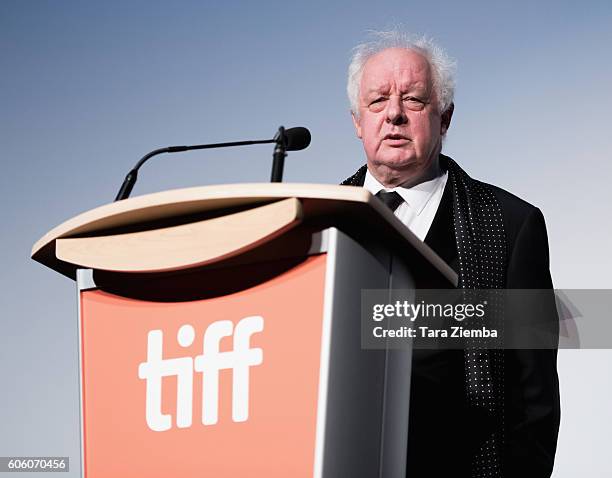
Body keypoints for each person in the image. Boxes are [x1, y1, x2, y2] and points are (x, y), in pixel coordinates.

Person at [342, 31, 560, 478]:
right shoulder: (315, 222)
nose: (394, 115)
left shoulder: (511, 225)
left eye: (414, 100)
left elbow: (534, 401)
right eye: (378, 101)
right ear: (357, 121)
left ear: (445, 118)